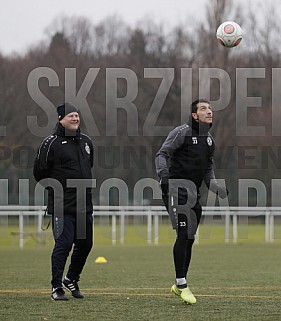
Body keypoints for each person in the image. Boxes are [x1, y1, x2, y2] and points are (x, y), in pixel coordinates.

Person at [155, 98, 228, 304]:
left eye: (210, 108)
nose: (209, 111)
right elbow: (162, 154)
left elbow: (207, 168)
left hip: (193, 193)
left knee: (190, 238)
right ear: (195, 115)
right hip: (176, 189)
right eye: (203, 109)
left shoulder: (209, 140)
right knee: (184, 233)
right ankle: (181, 284)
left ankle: (180, 283)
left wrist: (214, 186)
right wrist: (164, 176)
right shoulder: (182, 132)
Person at [33, 102, 94, 301]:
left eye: (77, 115)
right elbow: (39, 172)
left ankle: (71, 279)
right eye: (71, 116)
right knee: (64, 244)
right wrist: (57, 190)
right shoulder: (50, 142)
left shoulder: (86, 141)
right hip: (62, 205)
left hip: (84, 204)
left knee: (85, 245)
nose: (75, 119)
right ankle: (56, 287)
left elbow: (88, 166)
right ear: (61, 119)